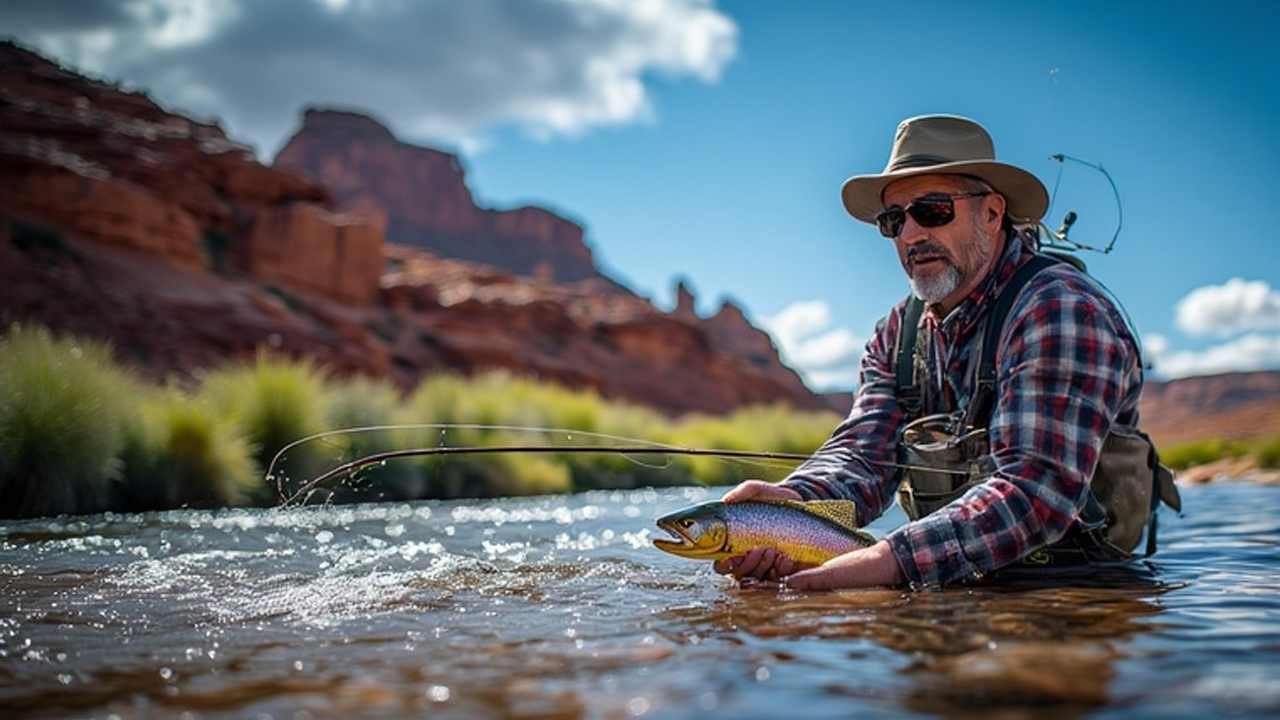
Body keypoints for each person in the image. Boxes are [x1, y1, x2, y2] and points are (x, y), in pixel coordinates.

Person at [715, 114, 1176, 590]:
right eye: (894, 220)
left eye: (933, 210)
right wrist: (791, 507)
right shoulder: (895, 333)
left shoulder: (1060, 309)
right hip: (955, 582)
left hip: (1082, 590)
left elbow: (1036, 490)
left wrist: (888, 562)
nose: (911, 234)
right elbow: (864, 457)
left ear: (993, 214)